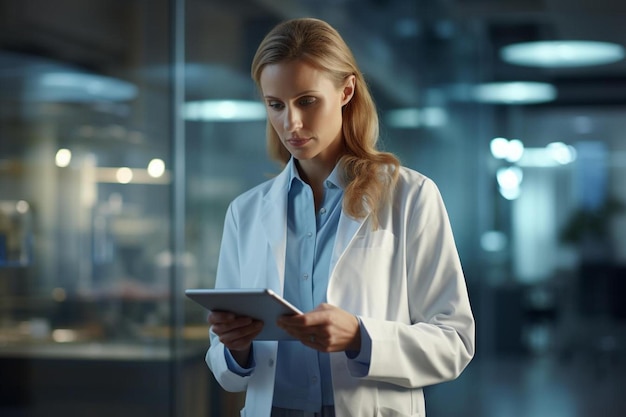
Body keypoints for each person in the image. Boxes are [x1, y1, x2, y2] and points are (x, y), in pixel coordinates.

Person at [205, 17, 475, 417]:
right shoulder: (245, 212)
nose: (290, 123)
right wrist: (235, 346)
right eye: (276, 105)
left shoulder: (412, 197)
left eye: (307, 101)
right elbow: (226, 368)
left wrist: (361, 337)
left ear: (346, 90)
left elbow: (455, 343)